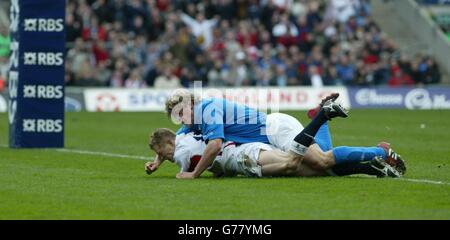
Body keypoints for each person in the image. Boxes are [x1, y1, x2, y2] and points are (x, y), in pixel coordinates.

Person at [164, 90, 405, 179]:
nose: (182, 120)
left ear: (192, 103)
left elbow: (215, 145)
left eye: (182, 112)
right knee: (321, 167)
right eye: (178, 117)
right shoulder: (194, 120)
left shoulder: (208, 110)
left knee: (322, 161)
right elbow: (175, 137)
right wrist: (158, 158)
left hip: (275, 129)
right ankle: (321, 119)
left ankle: (380, 151)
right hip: (273, 132)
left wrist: (194, 174)